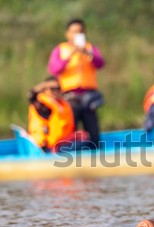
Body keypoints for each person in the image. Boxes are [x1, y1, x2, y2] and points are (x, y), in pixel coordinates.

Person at [48, 18, 105, 148]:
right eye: (73, 32)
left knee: (93, 132)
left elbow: (100, 63)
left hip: (88, 97)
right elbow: (54, 69)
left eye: (80, 32)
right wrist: (69, 55)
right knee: (69, 132)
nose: (76, 35)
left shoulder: (90, 48)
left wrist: (88, 53)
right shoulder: (60, 50)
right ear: (67, 34)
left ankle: (95, 154)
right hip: (69, 97)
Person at [27, 77, 75, 152]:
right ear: (45, 90)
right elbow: (31, 95)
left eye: (58, 88)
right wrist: (44, 85)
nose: (55, 91)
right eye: (52, 89)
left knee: (86, 141)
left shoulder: (63, 105)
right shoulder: (41, 105)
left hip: (62, 144)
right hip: (45, 147)